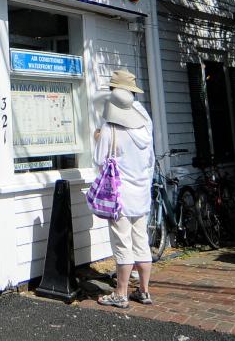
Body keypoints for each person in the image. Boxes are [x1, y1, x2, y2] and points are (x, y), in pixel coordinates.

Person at [93, 68, 155, 309]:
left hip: (119, 196)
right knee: (141, 241)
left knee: (122, 245)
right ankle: (144, 290)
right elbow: (149, 161)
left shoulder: (111, 129)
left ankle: (120, 293)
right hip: (142, 193)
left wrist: (97, 137)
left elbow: (100, 159)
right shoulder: (144, 128)